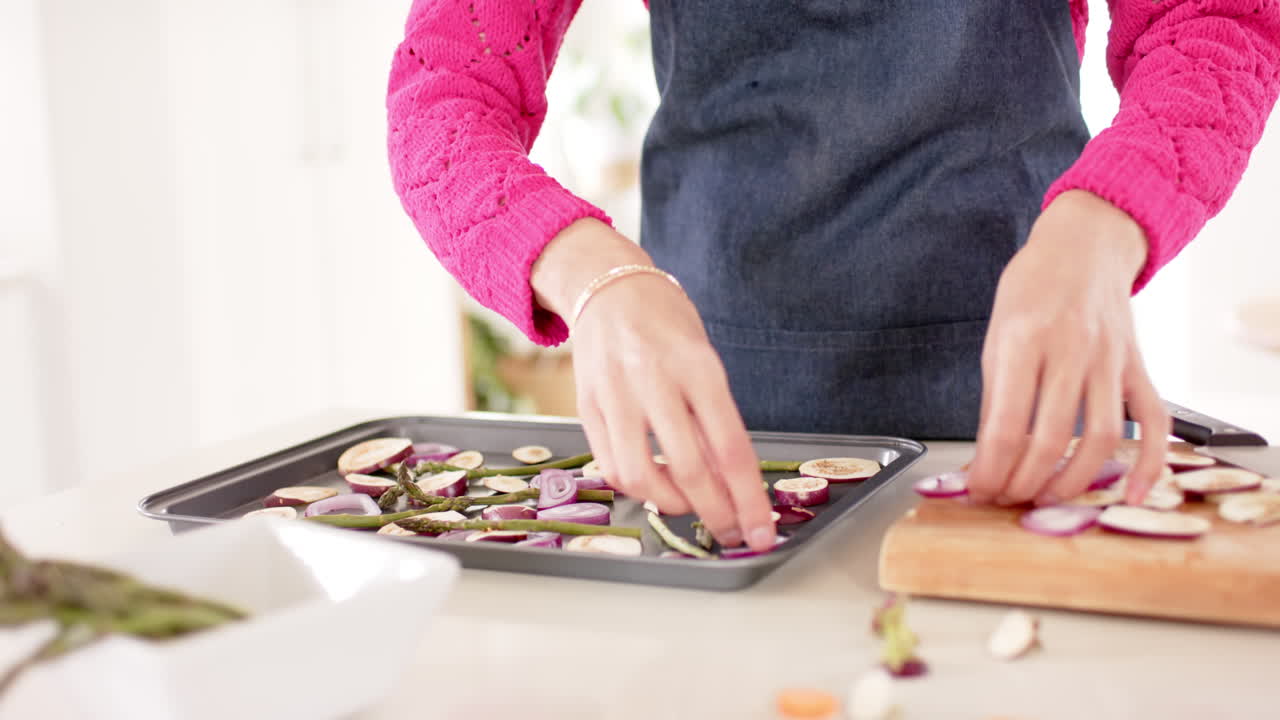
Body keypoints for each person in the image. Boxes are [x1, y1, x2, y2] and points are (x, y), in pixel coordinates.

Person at [386, 0, 1280, 553]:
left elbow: (1214, 22)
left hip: (1029, 388)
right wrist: (593, 278)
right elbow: (444, 96)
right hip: (716, 419)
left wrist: (1099, 228)